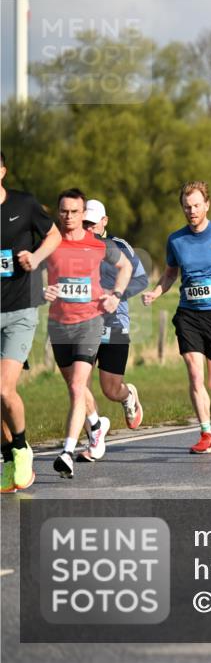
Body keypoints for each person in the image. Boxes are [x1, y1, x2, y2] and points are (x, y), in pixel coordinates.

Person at [142, 181, 211, 454]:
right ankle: (206, 434)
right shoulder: (176, 240)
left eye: (196, 206)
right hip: (188, 313)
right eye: (187, 207)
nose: (191, 211)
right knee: (193, 371)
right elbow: (170, 273)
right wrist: (157, 292)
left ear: (207, 205)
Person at [46, 189, 133, 478]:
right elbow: (29, 272)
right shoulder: (50, 243)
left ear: (83, 214)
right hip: (59, 325)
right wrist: (41, 289)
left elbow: (126, 266)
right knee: (75, 385)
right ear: (58, 212)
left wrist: (116, 295)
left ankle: (67, 452)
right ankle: (96, 424)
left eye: (74, 211)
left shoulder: (97, 245)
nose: (69, 216)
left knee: (76, 387)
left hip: (90, 324)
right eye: (64, 211)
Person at [1, 152, 61, 492]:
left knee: (3, 389)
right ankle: (7, 457)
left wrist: (35, 257)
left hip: (19, 311)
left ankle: (21, 446)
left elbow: (53, 236)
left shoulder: (23, 204)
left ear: (3, 171)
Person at [76, 200, 148, 463]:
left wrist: (115, 295)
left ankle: (128, 396)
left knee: (110, 389)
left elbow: (141, 279)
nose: (89, 228)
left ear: (105, 221)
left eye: (93, 223)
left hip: (115, 324)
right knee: (78, 385)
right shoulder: (76, 247)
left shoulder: (119, 247)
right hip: (83, 325)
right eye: (85, 224)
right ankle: (94, 437)